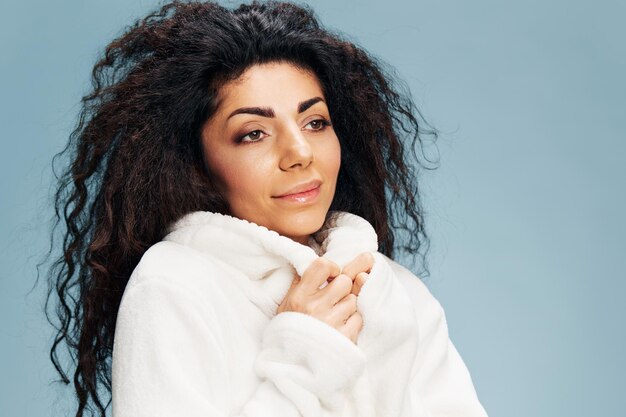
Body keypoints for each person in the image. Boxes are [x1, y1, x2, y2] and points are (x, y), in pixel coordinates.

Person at [46, 1, 489, 416]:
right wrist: (305, 354)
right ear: (197, 167)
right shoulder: (172, 286)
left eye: (315, 123)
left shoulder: (398, 293)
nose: (299, 152)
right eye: (253, 133)